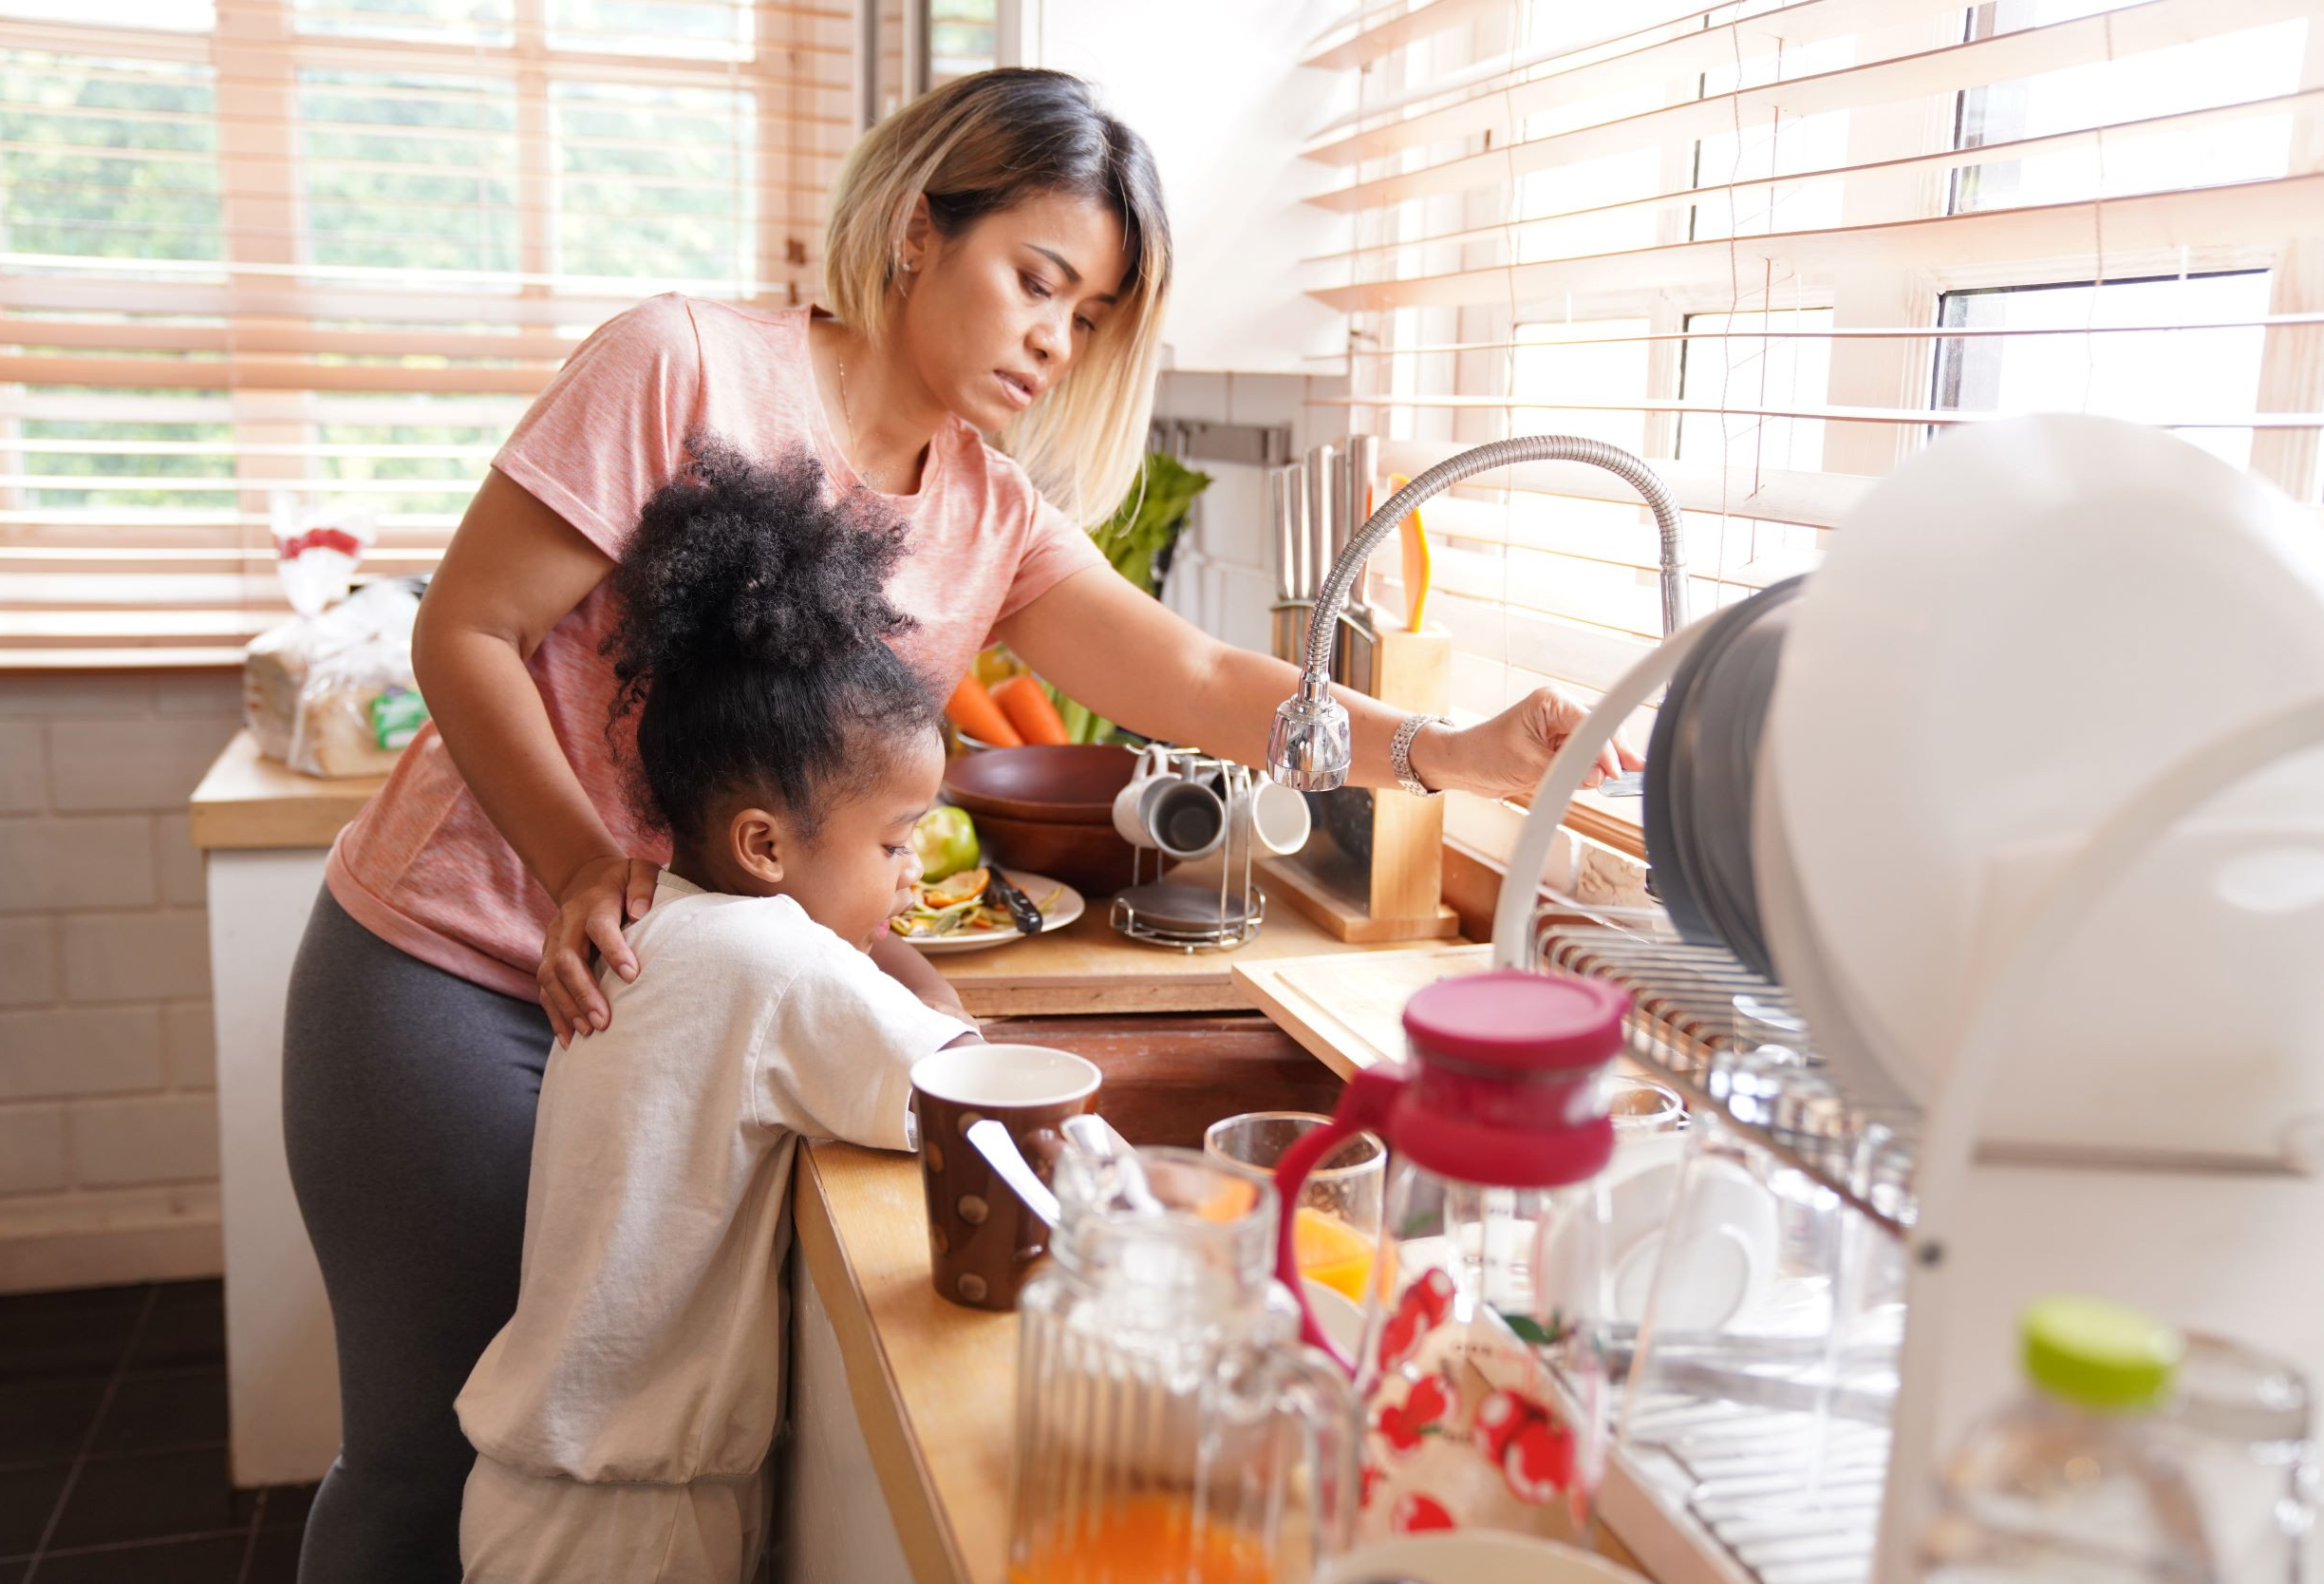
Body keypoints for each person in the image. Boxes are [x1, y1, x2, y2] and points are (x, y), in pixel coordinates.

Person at [284, 66, 1628, 1581]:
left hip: (679, 1013)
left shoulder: (983, 511)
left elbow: (1188, 674)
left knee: (548, 1466)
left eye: (1092, 314)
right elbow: (463, 630)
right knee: (424, 1463)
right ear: (922, 230)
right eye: (1036, 280)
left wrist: (1447, 750)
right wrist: (581, 862)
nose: (1056, 338)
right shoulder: (681, 367)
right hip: (455, 976)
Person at [454, 443, 975, 1583]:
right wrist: (891, 946)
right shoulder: (766, 957)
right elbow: (963, 1092)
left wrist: (861, 905)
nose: (909, 869)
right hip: (622, 1533)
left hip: (555, 1500)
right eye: (893, 844)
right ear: (763, 846)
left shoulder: (679, 924)